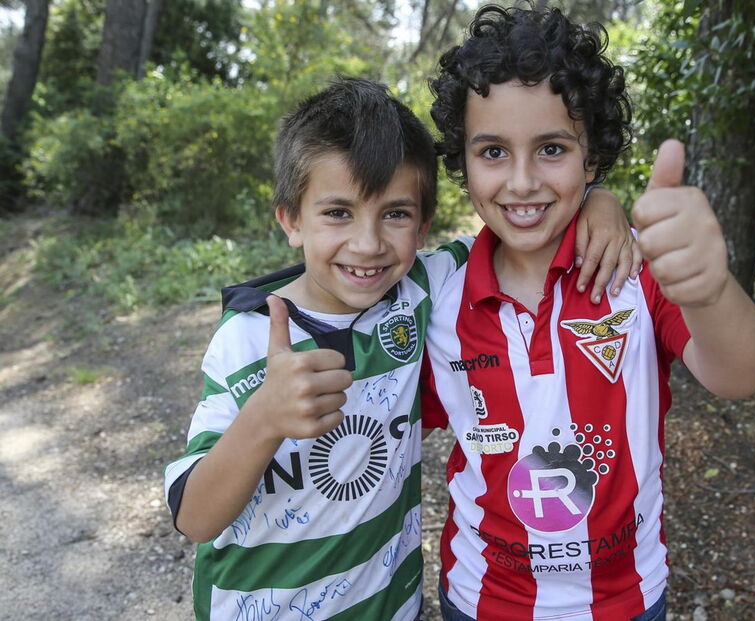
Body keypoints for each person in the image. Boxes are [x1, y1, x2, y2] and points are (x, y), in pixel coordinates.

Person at [163, 77, 639, 620]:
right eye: (338, 213)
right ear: (291, 219)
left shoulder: (420, 291)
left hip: (393, 607)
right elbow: (194, 519)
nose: (368, 244)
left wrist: (600, 201)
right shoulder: (247, 336)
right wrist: (263, 421)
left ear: (423, 223)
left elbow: (525, 223)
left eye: (395, 214)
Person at [422, 5, 755, 620]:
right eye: (493, 151)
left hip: (626, 600)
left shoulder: (635, 272)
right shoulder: (438, 297)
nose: (523, 180)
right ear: (463, 161)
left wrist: (708, 291)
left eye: (552, 148)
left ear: (592, 161)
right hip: (479, 599)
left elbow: (742, 375)